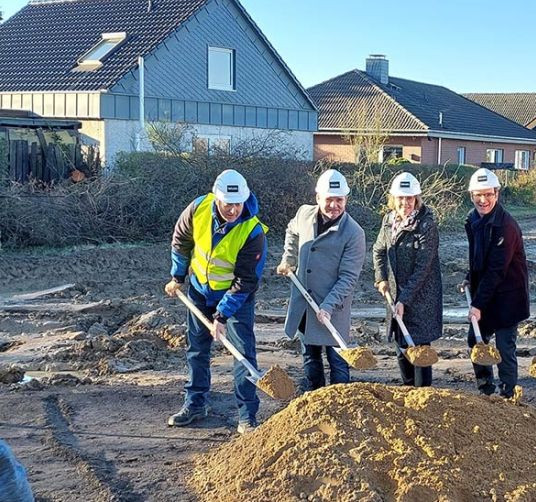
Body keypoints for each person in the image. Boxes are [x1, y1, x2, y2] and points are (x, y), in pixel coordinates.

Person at [164, 169, 267, 434]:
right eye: (227, 204)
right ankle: (195, 404)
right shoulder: (198, 208)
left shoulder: (253, 231)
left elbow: (246, 280)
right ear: (216, 197)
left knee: (243, 353)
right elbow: (181, 241)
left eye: (237, 204)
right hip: (199, 290)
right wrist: (177, 276)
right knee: (197, 350)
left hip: (236, 298)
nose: (232, 209)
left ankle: (247, 415)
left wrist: (221, 316)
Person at [277, 169, 366, 392]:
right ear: (318, 198)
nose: (334, 205)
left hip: (332, 306)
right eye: (329, 199)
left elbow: (348, 278)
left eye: (339, 200)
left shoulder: (354, 233)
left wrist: (327, 307)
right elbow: (292, 231)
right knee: (310, 357)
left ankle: (341, 404)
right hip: (305, 304)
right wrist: (288, 258)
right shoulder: (304, 214)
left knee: (338, 359)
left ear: (346, 200)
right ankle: (315, 400)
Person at [461, 168, 529, 398]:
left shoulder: (506, 227)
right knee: (475, 340)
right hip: (486, 292)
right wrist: (470, 277)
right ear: (471, 195)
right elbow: (478, 258)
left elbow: (497, 270)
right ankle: (486, 390)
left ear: (497, 194)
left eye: (488, 194)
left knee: (504, 347)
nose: (483, 200)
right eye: (478, 195)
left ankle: (509, 394)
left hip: (508, 295)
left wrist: (477, 304)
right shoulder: (472, 219)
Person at [373, 172, 443, 387]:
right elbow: (378, 250)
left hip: (422, 297)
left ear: (417, 198)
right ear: (393, 198)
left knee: (420, 349)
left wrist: (405, 299)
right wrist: (381, 278)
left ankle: (423, 396)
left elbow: (424, 267)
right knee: (401, 344)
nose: (405, 203)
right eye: (401, 198)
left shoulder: (426, 224)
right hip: (395, 293)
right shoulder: (388, 221)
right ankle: (408, 390)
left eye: (410, 198)